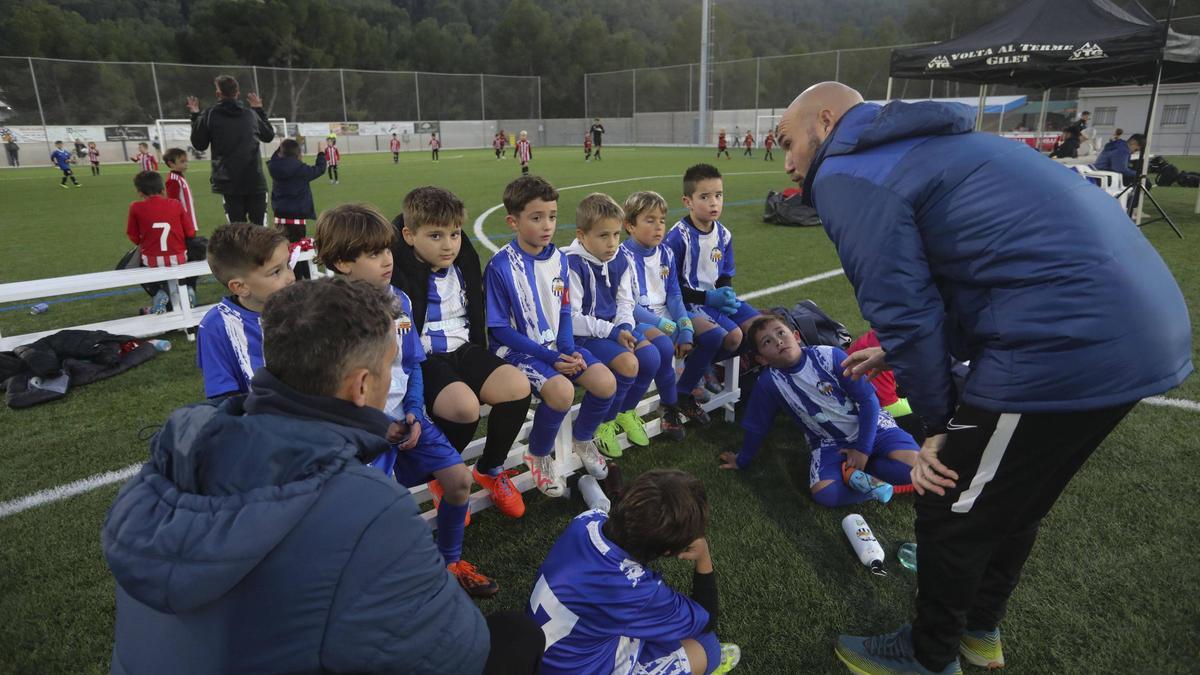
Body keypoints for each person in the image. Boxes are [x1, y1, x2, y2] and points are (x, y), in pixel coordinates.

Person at [778, 81, 1192, 674]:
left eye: (790, 142)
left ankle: (929, 655)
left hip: (1063, 341)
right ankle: (977, 631)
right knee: (1013, 503)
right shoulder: (935, 144)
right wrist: (898, 350)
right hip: (1132, 331)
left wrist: (938, 423)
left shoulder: (848, 172)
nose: (789, 162)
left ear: (826, 119)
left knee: (947, 498)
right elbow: (983, 270)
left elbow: (908, 308)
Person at [103, 276, 545, 675]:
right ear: (360, 386)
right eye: (390, 367)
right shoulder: (365, 505)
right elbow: (455, 653)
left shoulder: (173, 451)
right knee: (517, 636)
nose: (394, 375)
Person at [315, 203, 500, 597]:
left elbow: (412, 364)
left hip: (406, 418)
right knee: (376, 516)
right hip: (360, 433)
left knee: (458, 482)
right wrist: (378, 426)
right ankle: (375, 584)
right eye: (373, 254)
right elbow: (330, 390)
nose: (387, 260)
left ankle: (449, 562)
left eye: (387, 250)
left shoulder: (399, 297)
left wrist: (415, 410)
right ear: (342, 263)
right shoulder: (328, 315)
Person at [390, 186, 533, 520]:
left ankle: (490, 469)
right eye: (436, 236)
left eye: (454, 234)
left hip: (463, 348)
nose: (448, 244)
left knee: (517, 386)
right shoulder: (399, 269)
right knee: (465, 407)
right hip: (426, 357)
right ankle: (444, 474)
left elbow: (476, 314)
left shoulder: (463, 259)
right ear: (409, 236)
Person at [530, 469, 741, 675]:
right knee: (708, 648)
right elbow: (707, 618)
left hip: (542, 653)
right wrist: (704, 555)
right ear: (668, 551)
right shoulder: (636, 590)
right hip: (579, 663)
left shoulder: (586, 521)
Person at [485, 175, 614, 497]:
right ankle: (539, 455)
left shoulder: (559, 258)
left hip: (557, 347)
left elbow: (565, 311)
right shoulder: (500, 266)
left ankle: (583, 439)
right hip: (517, 351)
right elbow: (499, 329)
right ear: (513, 222)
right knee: (561, 393)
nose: (547, 225)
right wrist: (552, 358)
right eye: (537, 217)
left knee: (605, 383)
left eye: (553, 217)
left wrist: (568, 351)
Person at [717, 314, 918, 506]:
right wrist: (741, 460)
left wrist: (863, 450)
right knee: (825, 493)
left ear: (796, 336)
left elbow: (868, 401)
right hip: (829, 442)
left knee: (914, 468)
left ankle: (860, 473)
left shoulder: (830, 356)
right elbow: (757, 427)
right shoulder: (768, 383)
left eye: (781, 333)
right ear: (762, 359)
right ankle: (873, 484)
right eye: (766, 342)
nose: (777, 341)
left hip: (873, 425)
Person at [564, 193, 660, 458]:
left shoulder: (620, 258)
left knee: (651, 357)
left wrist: (625, 326)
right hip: (585, 335)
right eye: (603, 236)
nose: (612, 243)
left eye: (616, 235)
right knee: (629, 364)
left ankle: (622, 413)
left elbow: (625, 301)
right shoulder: (571, 263)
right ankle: (599, 426)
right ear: (582, 236)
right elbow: (571, 319)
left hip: (614, 329)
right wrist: (613, 332)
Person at [665, 163, 760, 410]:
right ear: (688, 201)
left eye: (718, 195)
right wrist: (710, 299)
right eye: (705, 197)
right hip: (688, 302)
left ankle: (704, 364)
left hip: (712, 298)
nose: (713, 203)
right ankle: (684, 389)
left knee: (757, 329)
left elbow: (724, 274)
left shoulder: (724, 235)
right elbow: (669, 286)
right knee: (727, 336)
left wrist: (726, 292)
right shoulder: (678, 237)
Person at [620, 190, 694, 439]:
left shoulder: (666, 253)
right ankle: (667, 407)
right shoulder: (622, 256)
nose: (658, 226)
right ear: (630, 225)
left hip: (664, 318)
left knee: (700, 336)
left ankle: (686, 392)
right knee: (662, 347)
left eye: (661, 220)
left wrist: (684, 325)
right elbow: (628, 306)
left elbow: (674, 294)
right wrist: (667, 325)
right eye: (649, 220)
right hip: (635, 320)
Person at [196, 222, 295, 399]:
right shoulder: (216, 327)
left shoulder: (303, 308)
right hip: (256, 421)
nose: (290, 277)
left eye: (288, 265)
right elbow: (224, 398)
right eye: (276, 272)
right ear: (240, 287)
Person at [187, 74, 276, 225]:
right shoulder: (251, 114)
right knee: (260, 230)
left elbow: (199, 144)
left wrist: (195, 116)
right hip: (254, 179)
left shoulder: (210, 115)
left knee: (236, 230)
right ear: (238, 93)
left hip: (228, 181)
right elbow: (268, 135)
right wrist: (259, 109)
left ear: (218, 94)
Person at [126, 171, 195, 313]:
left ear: (139, 192)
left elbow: (132, 235)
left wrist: (145, 240)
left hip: (152, 260)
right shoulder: (175, 204)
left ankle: (156, 291)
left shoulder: (135, 207)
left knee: (129, 265)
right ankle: (189, 288)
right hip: (179, 257)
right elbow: (190, 232)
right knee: (197, 252)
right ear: (163, 190)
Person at [847, 329, 925, 444]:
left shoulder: (891, 335)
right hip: (869, 410)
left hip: (890, 390)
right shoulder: (880, 352)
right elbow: (889, 405)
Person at [267, 138, 326, 279]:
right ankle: (298, 275)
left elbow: (275, 156)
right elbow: (320, 169)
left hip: (280, 215)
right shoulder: (300, 169)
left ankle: (296, 272)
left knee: (284, 246)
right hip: (296, 217)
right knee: (298, 247)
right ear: (298, 153)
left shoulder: (274, 166)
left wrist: (280, 147)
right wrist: (321, 153)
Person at [163, 148, 198, 237]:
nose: (186, 164)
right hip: (184, 222)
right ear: (171, 164)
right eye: (182, 161)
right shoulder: (173, 179)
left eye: (186, 161)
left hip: (189, 218)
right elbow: (173, 202)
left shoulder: (180, 177)